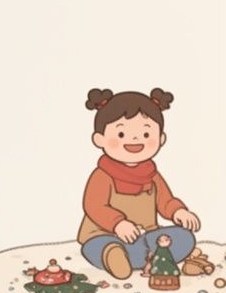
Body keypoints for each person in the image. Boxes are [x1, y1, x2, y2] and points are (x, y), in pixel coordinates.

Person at [77, 87, 202, 280]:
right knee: (95, 246)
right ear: (99, 139)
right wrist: (118, 224)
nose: (135, 139)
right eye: (121, 134)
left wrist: (178, 211)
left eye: (145, 134)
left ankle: (142, 256)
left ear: (161, 138)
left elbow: (165, 201)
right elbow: (94, 206)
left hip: (146, 236)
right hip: (104, 234)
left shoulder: (152, 175)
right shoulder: (102, 175)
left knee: (184, 237)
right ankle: (114, 256)